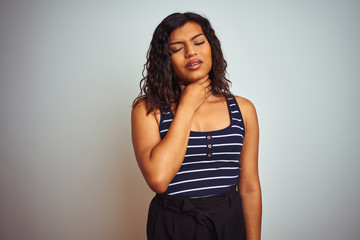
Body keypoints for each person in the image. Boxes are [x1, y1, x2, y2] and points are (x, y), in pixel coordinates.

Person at [131, 12, 262, 240]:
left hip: (229, 223)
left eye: (199, 42)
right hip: (172, 225)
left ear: (211, 47)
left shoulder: (243, 109)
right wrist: (187, 106)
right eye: (177, 48)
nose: (191, 52)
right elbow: (159, 180)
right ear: (166, 59)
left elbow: (249, 186)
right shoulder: (147, 109)